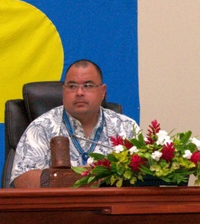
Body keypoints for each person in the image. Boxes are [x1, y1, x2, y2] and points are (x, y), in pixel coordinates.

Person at [10, 59, 139, 188]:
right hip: (59, 206)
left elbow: (142, 176)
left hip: (113, 205)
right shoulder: (41, 127)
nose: (79, 93)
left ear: (102, 92)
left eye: (88, 86)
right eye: (72, 86)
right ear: (64, 91)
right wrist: (77, 177)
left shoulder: (125, 127)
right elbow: (22, 180)